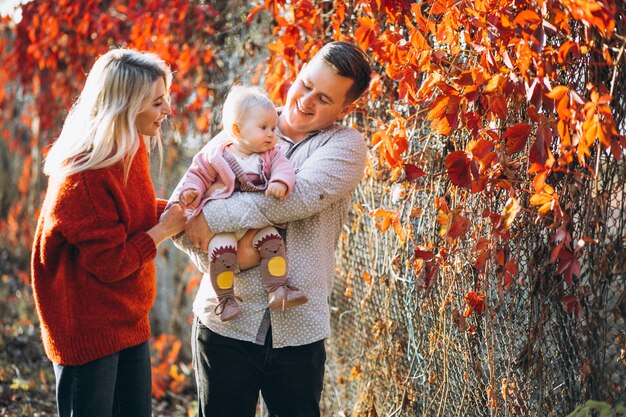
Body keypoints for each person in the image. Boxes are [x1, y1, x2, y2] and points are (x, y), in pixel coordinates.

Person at [170, 41, 372, 417]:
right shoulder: (242, 128)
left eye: (324, 99)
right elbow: (179, 217)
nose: (306, 101)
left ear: (346, 108)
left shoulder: (345, 146)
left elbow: (298, 199)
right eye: (306, 84)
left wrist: (210, 218)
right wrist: (223, 258)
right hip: (224, 323)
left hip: (298, 330)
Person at [30, 48, 187, 417]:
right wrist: (164, 230)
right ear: (126, 106)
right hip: (87, 326)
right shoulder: (84, 175)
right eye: (158, 102)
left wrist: (182, 209)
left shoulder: (130, 147)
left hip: (127, 315)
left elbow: (128, 217)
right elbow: (111, 262)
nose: (167, 110)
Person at [178, 84, 307, 322]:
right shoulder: (217, 155)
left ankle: (278, 289)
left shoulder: (272, 154)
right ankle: (226, 300)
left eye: (273, 128)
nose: (271, 134)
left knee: (273, 243)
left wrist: (279, 182)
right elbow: (196, 175)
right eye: (263, 128)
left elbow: (285, 169)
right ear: (237, 129)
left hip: (255, 223)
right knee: (222, 255)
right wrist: (191, 191)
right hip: (223, 226)